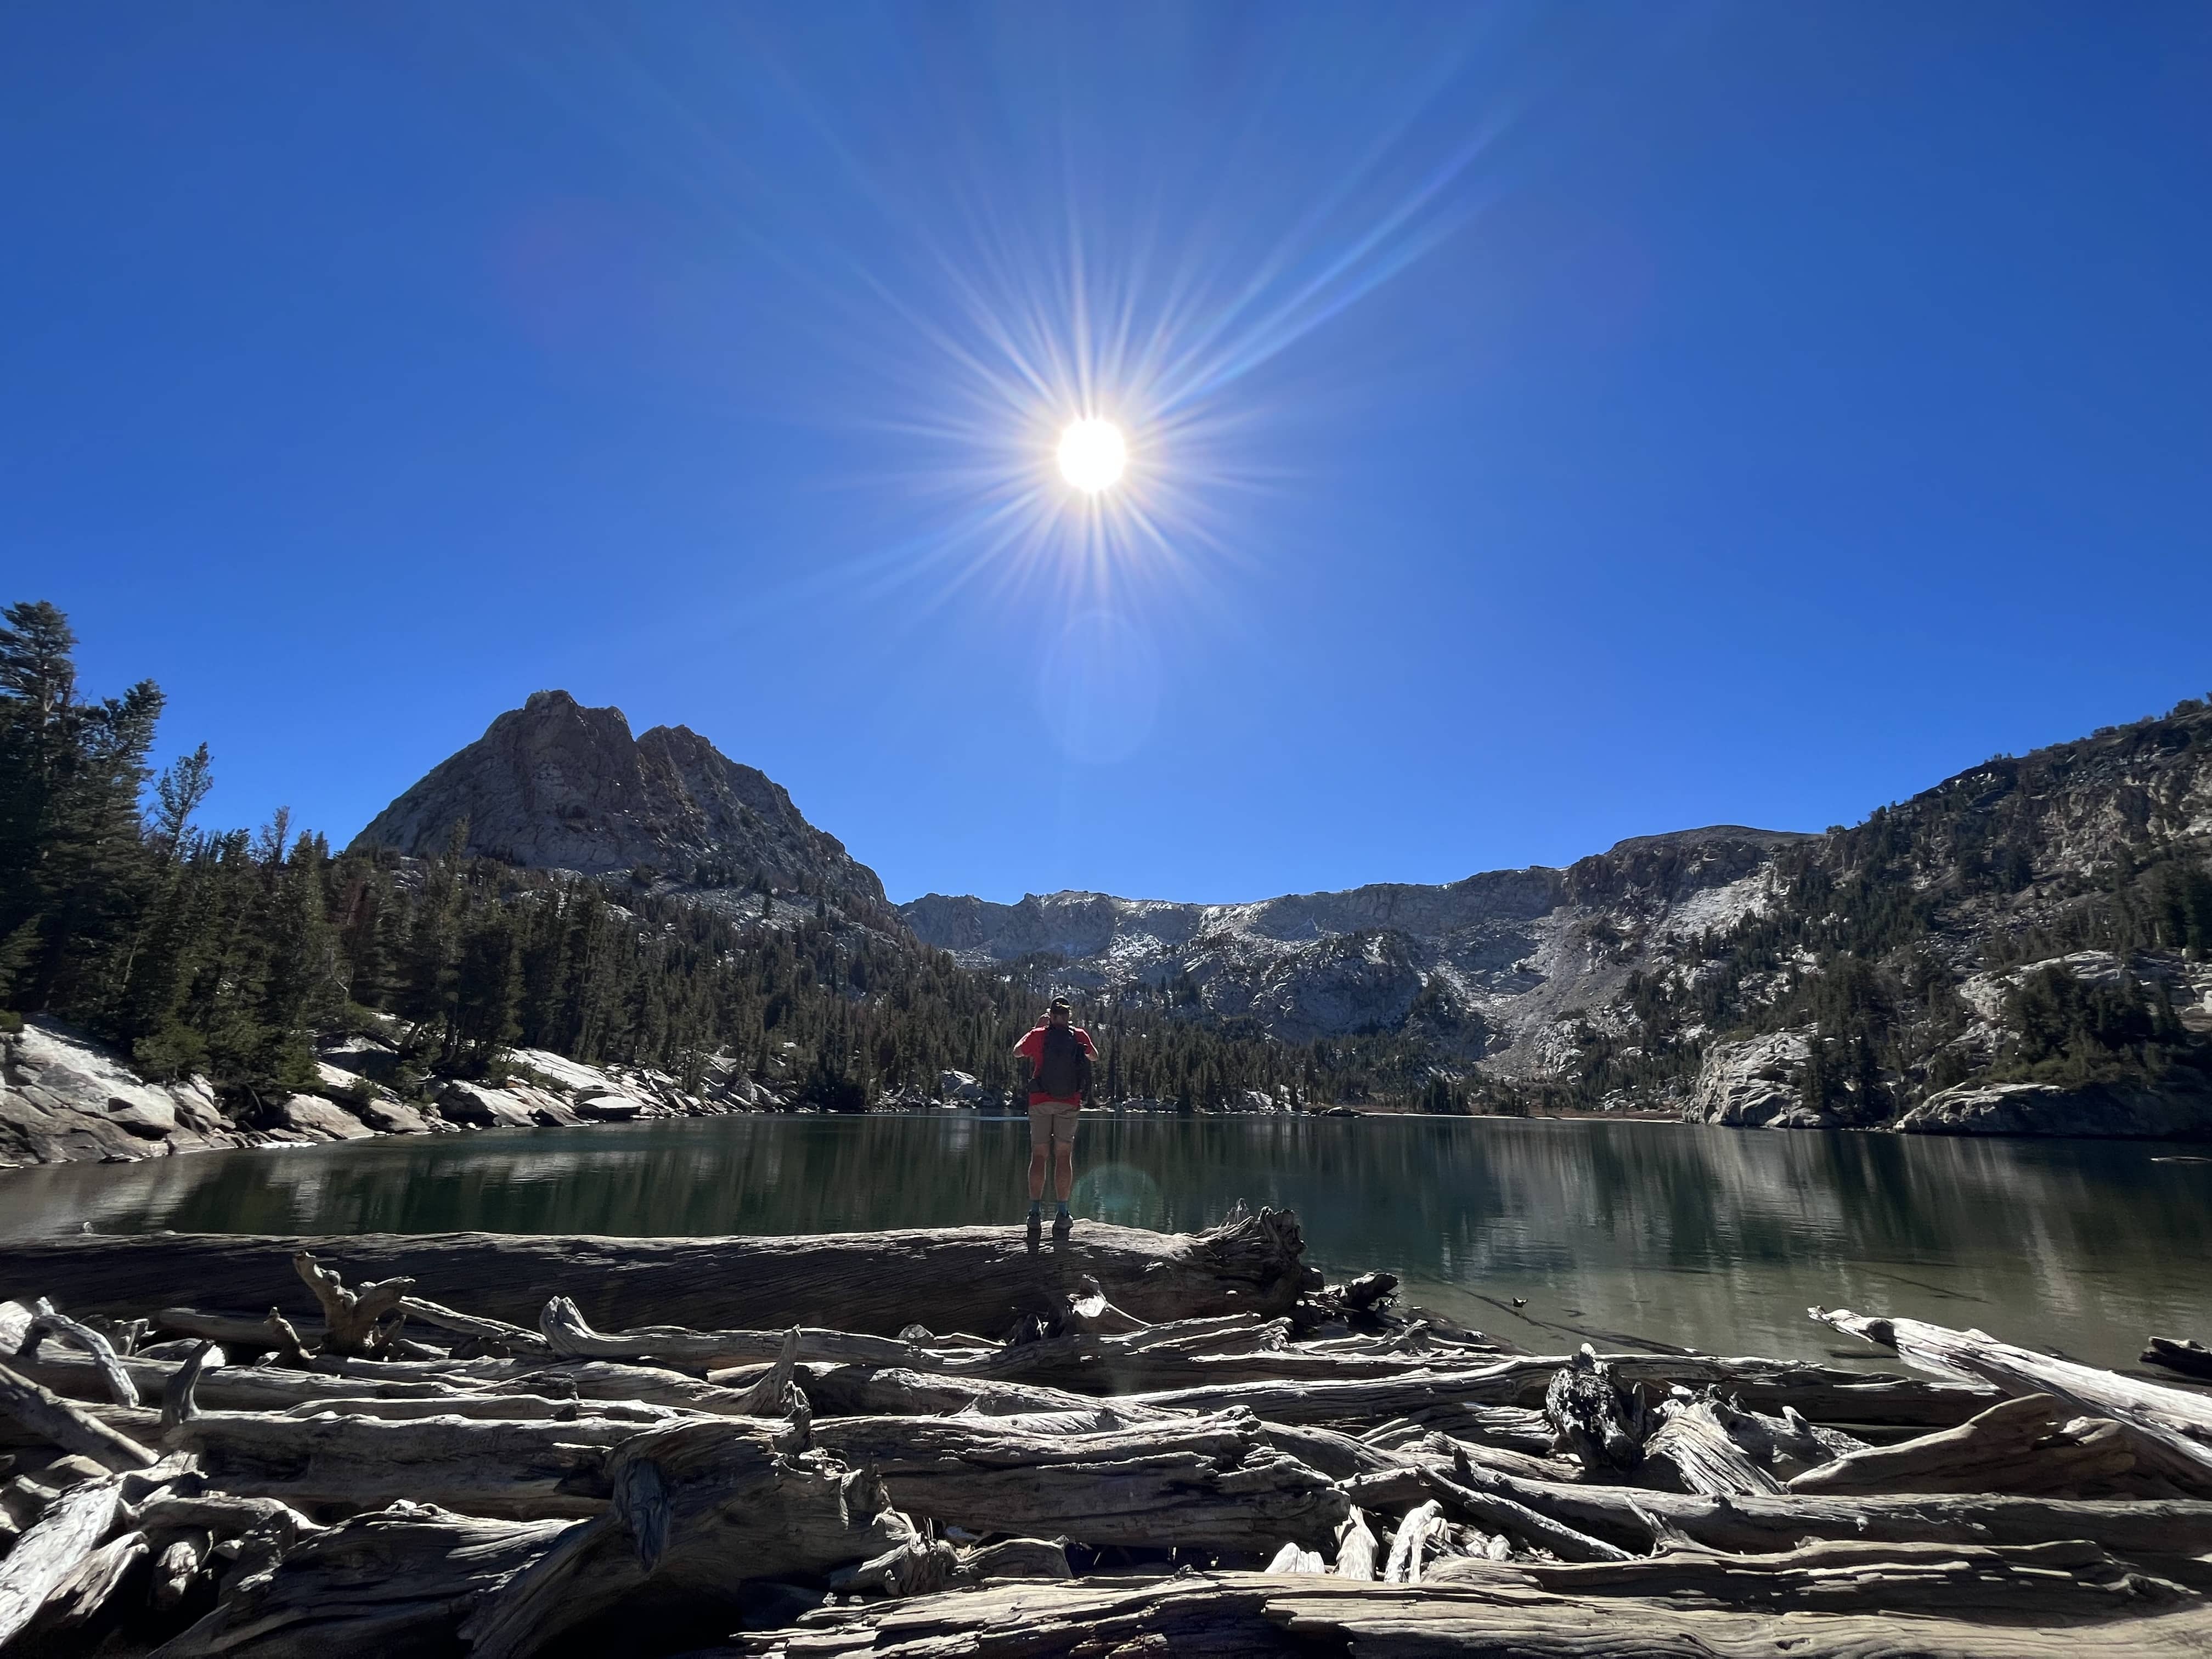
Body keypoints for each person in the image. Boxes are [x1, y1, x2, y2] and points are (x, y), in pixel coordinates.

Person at [1012, 995, 1097, 1229]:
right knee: (1063, 1156)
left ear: (1051, 1015)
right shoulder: (1078, 1035)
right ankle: (1062, 1214)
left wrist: (1036, 1027)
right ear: (1069, 1016)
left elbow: (1017, 1052)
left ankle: (1035, 1215)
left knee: (1039, 1156)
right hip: (1069, 1103)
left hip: (1040, 1101)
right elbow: (1094, 1056)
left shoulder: (1039, 1034)